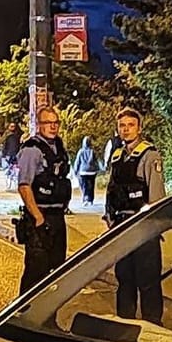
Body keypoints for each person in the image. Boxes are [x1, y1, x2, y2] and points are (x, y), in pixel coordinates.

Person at [106, 107, 167, 324]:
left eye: (131, 125)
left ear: (139, 128)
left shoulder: (150, 156)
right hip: (122, 227)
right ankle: (125, 326)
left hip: (143, 228)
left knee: (148, 281)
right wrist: (111, 221)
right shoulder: (117, 157)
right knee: (124, 280)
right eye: (122, 125)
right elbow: (111, 192)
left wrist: (154, 228)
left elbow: (157, 196)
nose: (126, 130)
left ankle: (153, 327)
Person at [14, 106, 71, 294]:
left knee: (56, 273)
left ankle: (47, 319)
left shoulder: (58, 147)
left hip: (57, 217)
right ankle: (24, 317)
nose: (52, 127)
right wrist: (38, 218)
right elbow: (24, 186)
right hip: (40, 217)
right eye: (48, 123)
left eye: (55, 123)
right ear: (39, 125)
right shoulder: (32, 150)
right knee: (36, 274)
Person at [72, 135, 101, 205]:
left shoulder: (81, 152)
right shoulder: (92, 151)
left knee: (84, 186)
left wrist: (75, 171)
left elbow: (77, 161)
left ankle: (85, 199)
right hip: (92, 171)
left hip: (83, 171)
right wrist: (98, 169)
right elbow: (96, 161)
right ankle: (90, 200)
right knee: (91, 186)